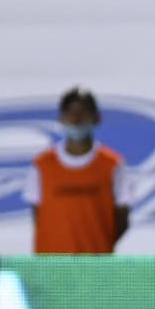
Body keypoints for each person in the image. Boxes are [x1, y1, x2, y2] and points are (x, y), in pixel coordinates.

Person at [24, 87, 132, 253]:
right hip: (51, 267)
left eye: (83, 113)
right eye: (70, 113)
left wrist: (97, 248)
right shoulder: (42, 165)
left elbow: (122, 219)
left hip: (96, 267)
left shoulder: (112, 164)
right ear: (61, 119)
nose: (76, 119)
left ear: (96, 118)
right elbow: (38, 216)